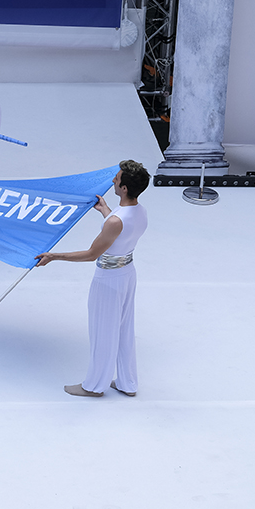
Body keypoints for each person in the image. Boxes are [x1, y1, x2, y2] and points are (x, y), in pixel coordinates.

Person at [35, 160, 150, 398]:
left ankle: (94, 385)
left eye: (117, 179)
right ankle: (128, 383)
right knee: (124, 329)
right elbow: (120, 230)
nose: (113, 181)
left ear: (125, 188)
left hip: (109, 279)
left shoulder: (115, 221)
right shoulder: (139, 211)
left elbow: (91, 254)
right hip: (127, 273)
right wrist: (105, 209)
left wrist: (53, 255)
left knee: (102, 331)